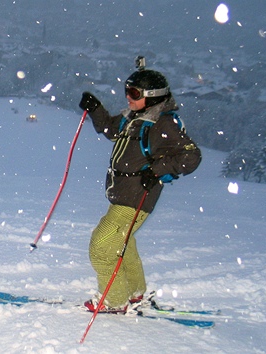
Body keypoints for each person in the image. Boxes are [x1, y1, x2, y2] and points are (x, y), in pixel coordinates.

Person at [78, 57, 201, 313]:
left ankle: (114, 301)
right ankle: (134, 293)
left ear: (153, 97)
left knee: (101, 246)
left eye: (134, 93)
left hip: (136, 198)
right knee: (124, 243)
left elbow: (191, 156)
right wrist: (96, 109)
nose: (128, 97)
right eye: (127, 91)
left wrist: (157, 170)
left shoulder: (162, 123)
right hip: (123, 193)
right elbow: (113, 130)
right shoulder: (136, 116)